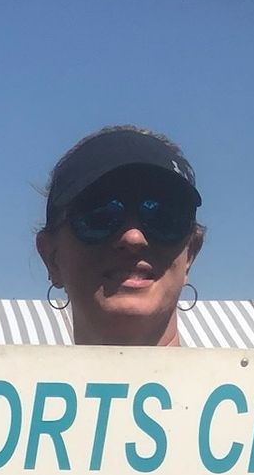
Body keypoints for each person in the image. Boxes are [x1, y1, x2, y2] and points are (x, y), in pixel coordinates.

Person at [37, 126, 205, 347]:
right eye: (99, 213)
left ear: (190, 254)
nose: (133, 237)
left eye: (164, 216)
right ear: (52, 257)